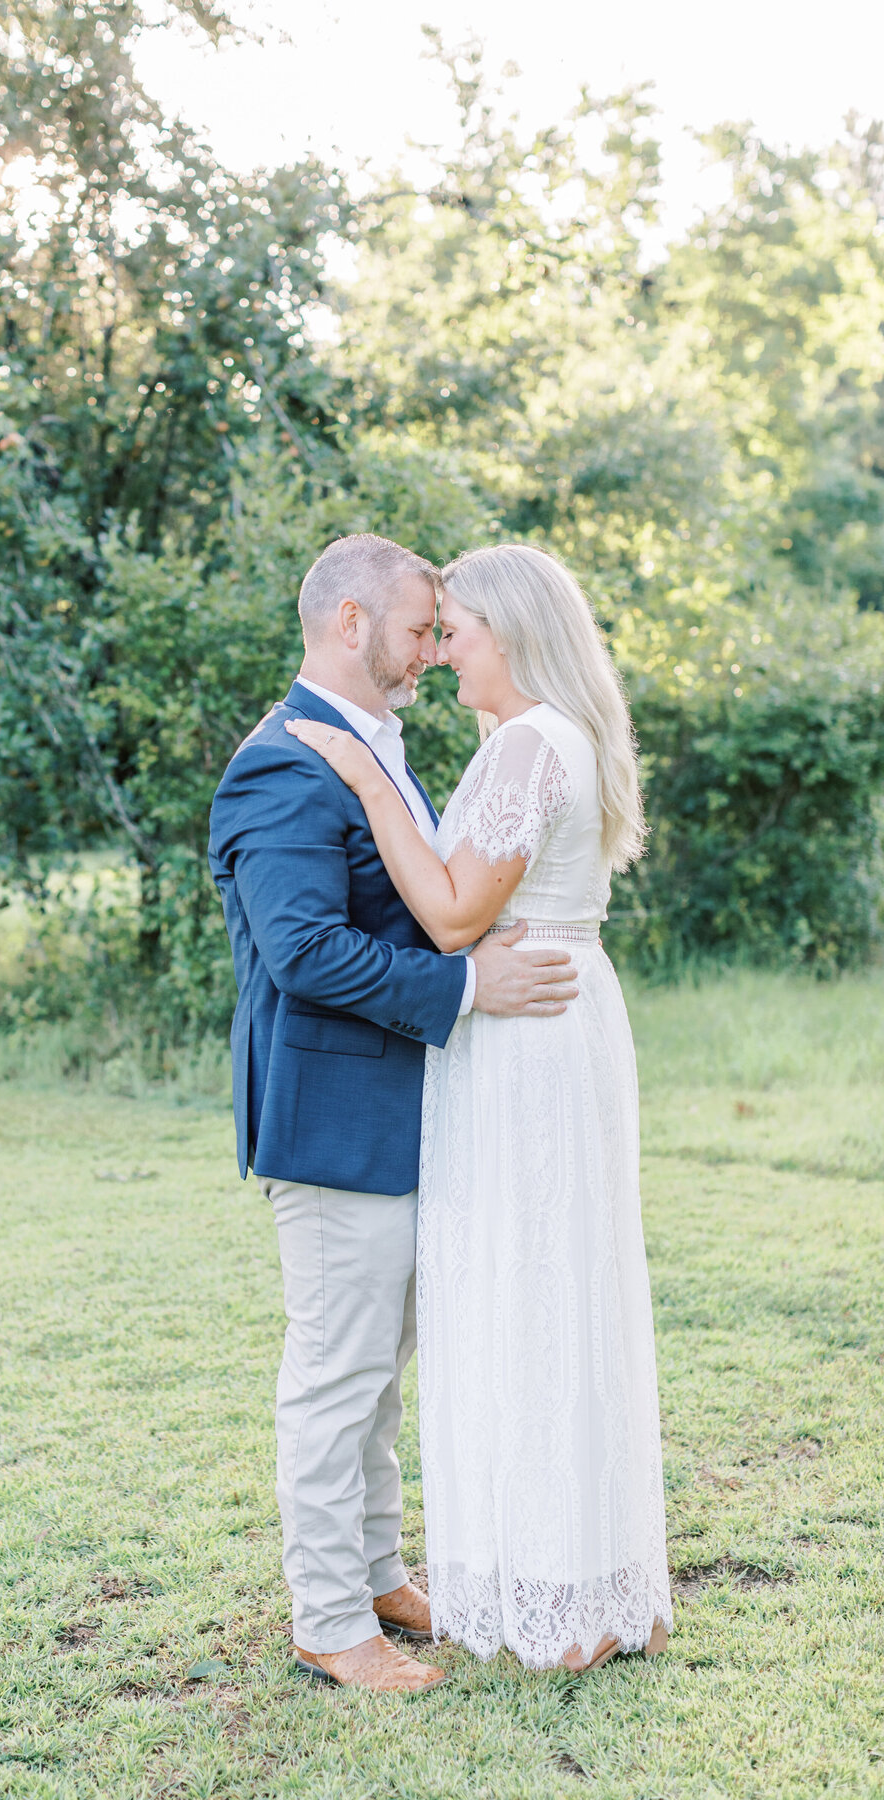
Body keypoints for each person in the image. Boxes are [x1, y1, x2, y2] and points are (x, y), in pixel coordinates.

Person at [287, 542, 672, 1673]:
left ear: (509, 632)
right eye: (431, 628)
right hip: (559, 1019)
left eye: (453, 629)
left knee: (528, 1291)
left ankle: (558, 1591)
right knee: (568, 1285)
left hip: (520, 1037)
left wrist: (363, 777)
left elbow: (455, 917)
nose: (441, 648)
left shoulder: (523, 742)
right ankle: (598, 1585)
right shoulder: (565, 736)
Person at [208, 534, 581, 1694]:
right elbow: (305, 950)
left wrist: (477, 940)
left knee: (380, 1369)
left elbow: (420, 899)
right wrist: (471, 987)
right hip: (331, 1121)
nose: (433, 650)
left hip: (404, 1113)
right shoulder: (281, 764)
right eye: (423, 628)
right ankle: (328, 1619)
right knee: (336, 1370)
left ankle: (375, 1572)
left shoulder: (374, 749)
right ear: (355, 622)